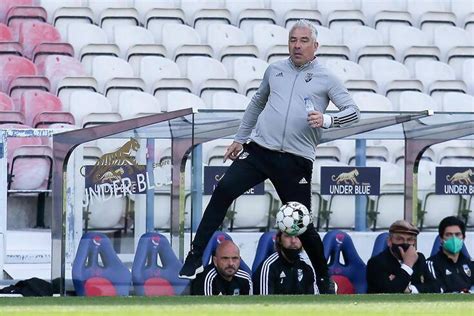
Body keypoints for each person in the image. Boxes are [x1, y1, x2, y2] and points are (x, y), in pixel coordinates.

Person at [179, 19, 360, 294]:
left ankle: (324, 279)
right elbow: (256, 103)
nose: (297, 46)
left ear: (315, 46)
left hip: (296, 159)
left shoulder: (327, 78)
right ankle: (195, 257)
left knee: (301, 223)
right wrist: (240, 138)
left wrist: (327, 120)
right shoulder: (274, 70)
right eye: (292, 40)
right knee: (224, 189)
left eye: (303, 41)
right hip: (260, 150)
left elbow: (353, 112)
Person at [367, 220, 440, 293]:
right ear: (389, 241)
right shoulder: (376, 263)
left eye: (409, 240)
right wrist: (407, 265)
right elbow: (390, 292)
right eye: (399, 239)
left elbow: (435, 287)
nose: (405, 243)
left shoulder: (419, 258)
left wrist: (410, 289)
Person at [253, 231, 319, 295]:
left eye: (297, 236)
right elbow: (264, 302)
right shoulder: (269, 266)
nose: (293, 241)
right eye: (288, 236)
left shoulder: (307, 267)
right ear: (279, 240)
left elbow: (314, 300)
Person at [426, 216, 473, 293]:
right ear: (441, 239)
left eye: (457, 234)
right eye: (449, 235)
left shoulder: (470, 264)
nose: (454, 239)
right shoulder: (431, 264)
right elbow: (437, 288)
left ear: (463, 238)